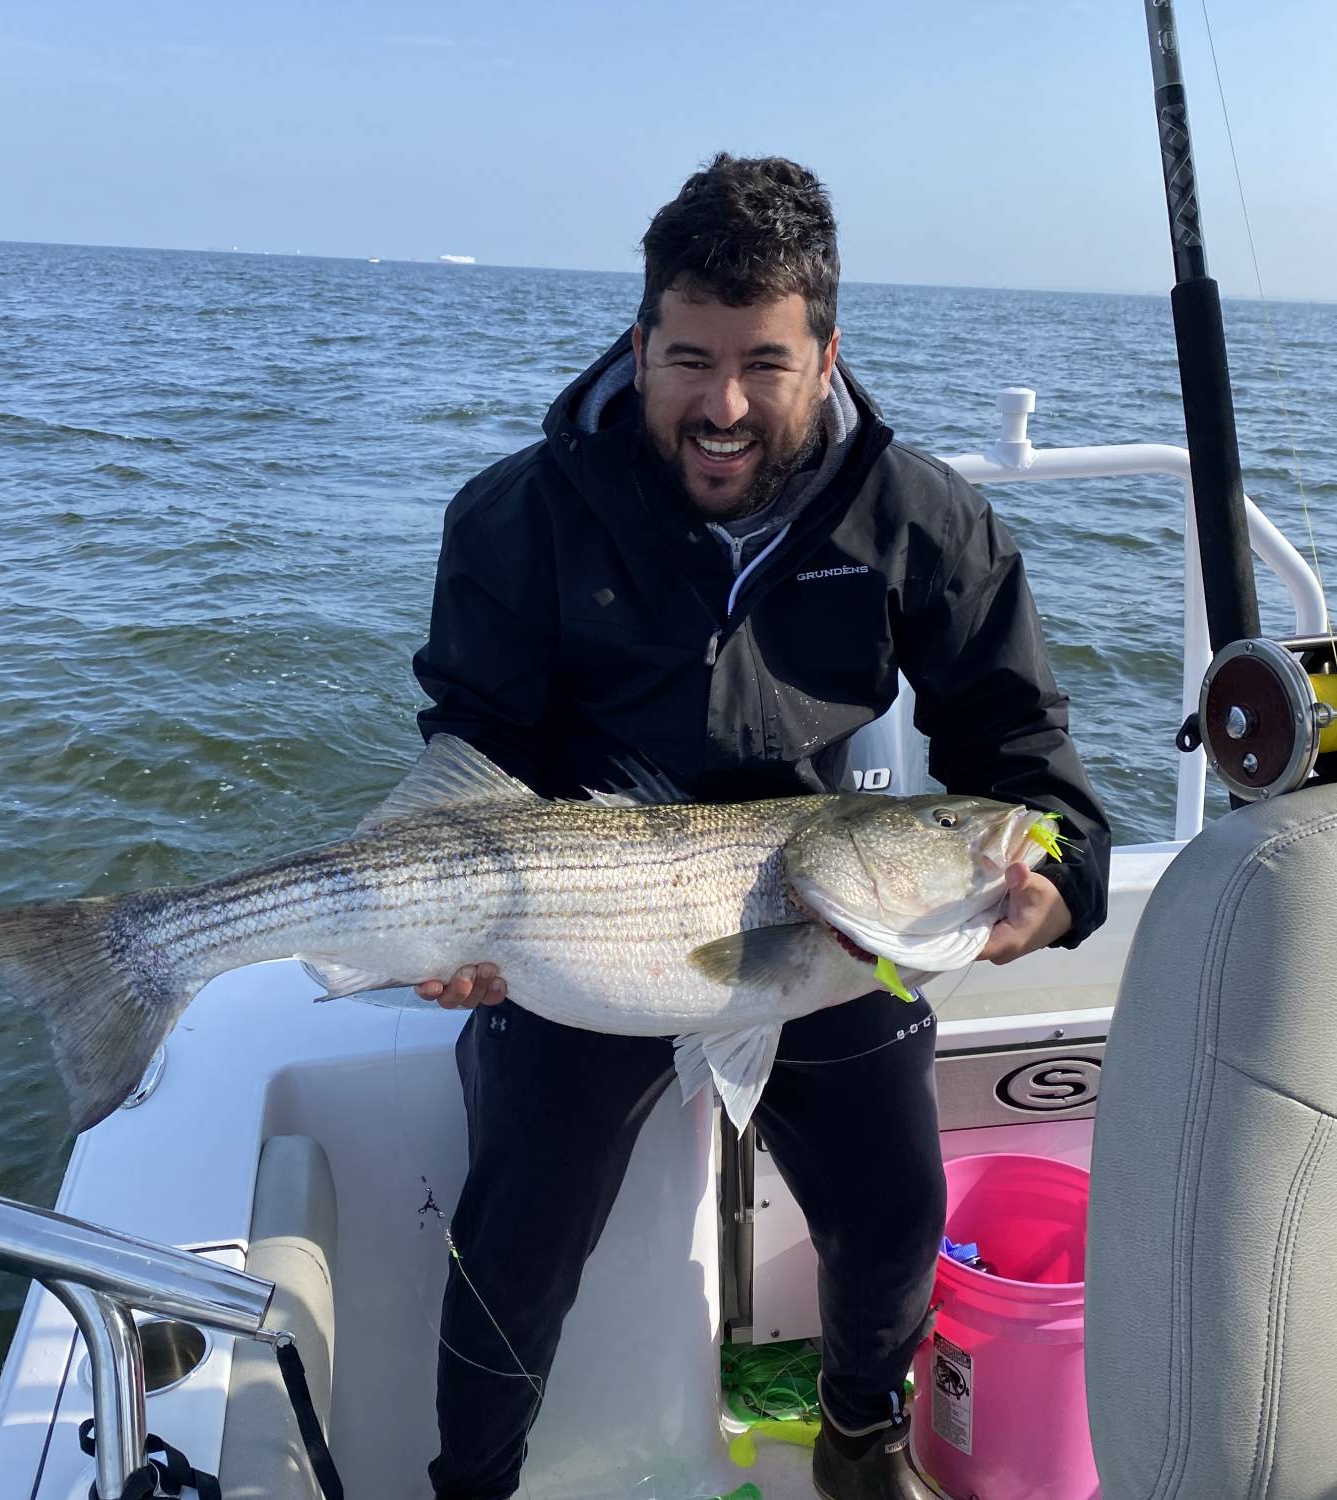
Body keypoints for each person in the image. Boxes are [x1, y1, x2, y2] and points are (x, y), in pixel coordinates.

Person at [410, 153, 1110, 1500]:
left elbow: (1023, 760)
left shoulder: (920, 521)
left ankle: (859, 1435)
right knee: (514, 1234)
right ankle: (470, 1487)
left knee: (899, 1206)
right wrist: (460, 922)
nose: (722, 406)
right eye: (689, 359)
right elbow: (474, 740)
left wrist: (1062, 883)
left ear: (827, 355)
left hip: (821, 912)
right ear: (639, 343)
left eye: (765, 364)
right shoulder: (518, 514)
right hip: (570, 918)